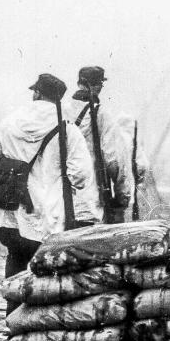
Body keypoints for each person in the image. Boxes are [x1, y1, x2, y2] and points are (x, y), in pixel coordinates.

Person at [0, 73, 95, 313]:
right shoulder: (66, 128)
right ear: (59, 99)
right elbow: (81, 175)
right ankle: (31, 322)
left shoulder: (10, 121)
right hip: (45, 214)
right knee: (41, 268)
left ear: (37, 93)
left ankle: (12, 314)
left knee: (15, 258)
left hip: (8, 209)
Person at [69, 66, 134, 224]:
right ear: (98, 86)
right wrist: (122, 199)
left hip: (56, 205)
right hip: (89, 204)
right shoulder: (102, 115)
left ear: (79, 84)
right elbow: (115, 161)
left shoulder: (62, 112)